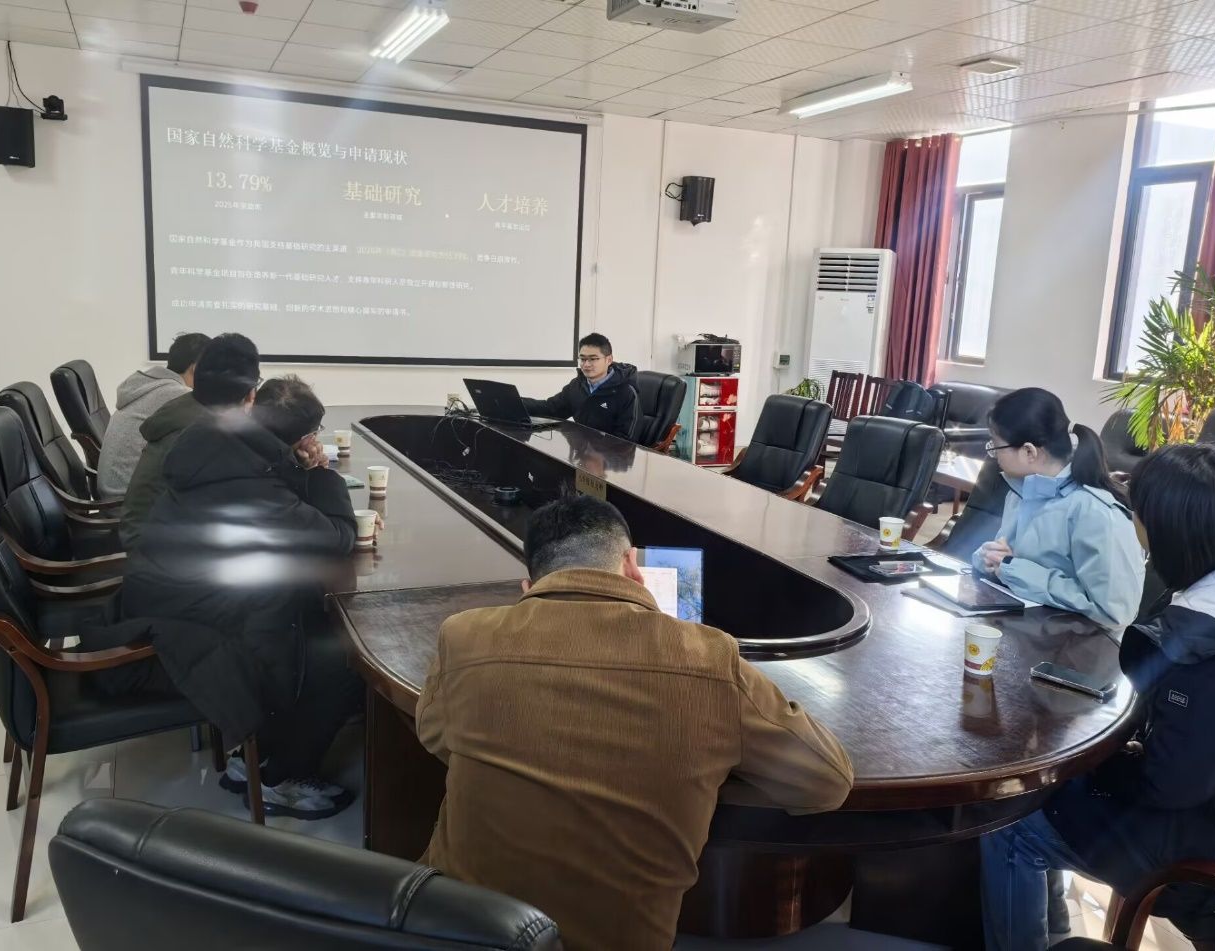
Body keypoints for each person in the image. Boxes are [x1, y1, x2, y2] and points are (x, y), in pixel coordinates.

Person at [416, 494, 853, 951]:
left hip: (451, 932)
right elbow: (827, 783)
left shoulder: (463, 635)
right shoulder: (710, 658)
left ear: (528, 587)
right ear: (632, 565)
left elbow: (435, 735)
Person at [981, 443, 1215, 951]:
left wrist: (1099, 765)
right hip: (1206, 806)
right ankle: (1055, 929)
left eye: (1139, 515)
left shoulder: (1202, 642)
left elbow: (1171, 784)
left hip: (1200, 845)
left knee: (1010, 820)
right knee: (1050, 792)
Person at [95, 374, 360, 820]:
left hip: (164, 599)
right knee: (340, 655)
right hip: (188, 630)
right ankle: (280, 778)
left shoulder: (216, 442)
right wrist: (320, 474)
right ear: (302, 436)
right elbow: (338, 537)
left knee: (305, 613)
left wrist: (293, 465)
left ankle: (254, 759)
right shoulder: (252, 481)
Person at [972, 387, 1144, 628]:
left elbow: (1115, 611)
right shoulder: (1021, 491)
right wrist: (990, 559)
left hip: (1076, 643)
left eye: (996, 446)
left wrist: (1013, 569)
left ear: (1029, 451)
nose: (993, 455)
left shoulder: (1095, 511)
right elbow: (1009, 563)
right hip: (1026, 628)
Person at [119, 333, 259, 550]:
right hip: (155, 549)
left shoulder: (188, 408)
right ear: (250, 395)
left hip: (147, 533)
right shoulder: (202, 433)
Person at [96, 333, 210, 498]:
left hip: (114, 491)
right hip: (127, 499)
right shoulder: (178, 395)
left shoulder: (148, 384)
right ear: (196, 368)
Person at [522, 332, 640, 439]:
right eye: (583, 359)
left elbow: (626, 439)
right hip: (582, 451)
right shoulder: (577, 385)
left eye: (593, 359)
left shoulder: (626, 392)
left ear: (609, 360)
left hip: (611, 454)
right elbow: (550, 409)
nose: (586, 364)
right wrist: (517, 401)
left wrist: (598, 453)